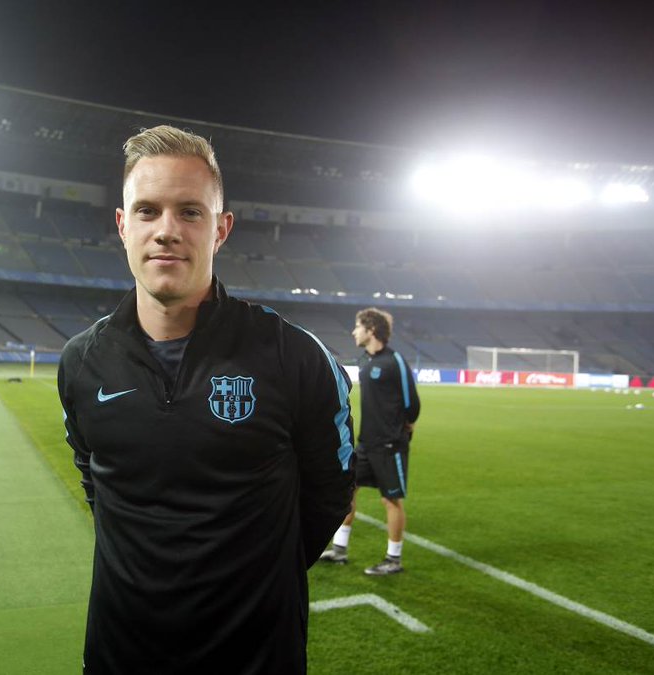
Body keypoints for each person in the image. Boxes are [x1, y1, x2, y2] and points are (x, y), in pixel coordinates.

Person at [57, 126, 356, 674]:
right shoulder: (81, 361)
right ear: (123, 226)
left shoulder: (294, 356)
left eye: (190, 212)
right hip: (119, 655)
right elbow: (97, 485)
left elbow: (329, 496)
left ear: (221, 229)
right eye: (147, 211)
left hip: (257, 660)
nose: (166, 231)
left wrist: (257, 582)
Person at [319, 308, 421, 575]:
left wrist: (405, 426)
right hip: (365, 442)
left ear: (371, 329)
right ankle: (339, 550)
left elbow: (412, 402)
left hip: (390, 444)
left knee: (391, 500)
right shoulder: (364, 360)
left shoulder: (394, 361)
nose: (354, 331)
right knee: (348, 492)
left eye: (358, 326)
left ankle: (393, 559)